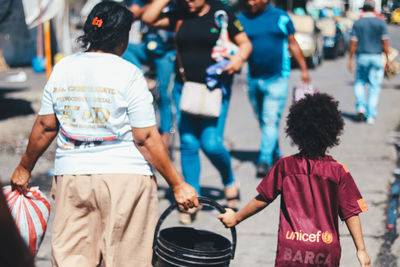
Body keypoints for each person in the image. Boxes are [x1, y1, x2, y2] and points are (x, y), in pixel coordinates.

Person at [10, 2, 198, 266]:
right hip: (125, 179)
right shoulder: (129, 74)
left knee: (72, 259)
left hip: (73, 176)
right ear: (122, 38)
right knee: (126, 258)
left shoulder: (63, 68)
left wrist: (23, 168)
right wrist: (177, 184)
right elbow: (145, 138)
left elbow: (46, 126)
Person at [218, 93, 371, 267]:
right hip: (325, 251)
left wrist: (236, 218)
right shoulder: (338, 172)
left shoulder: (285, 166)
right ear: (333, 131)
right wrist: (361, 249)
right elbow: (351, 213)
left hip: (291, 249)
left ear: (296, 131)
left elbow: (262, 200)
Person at [142, 0, 252, 224]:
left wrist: (239, 58)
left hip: (216, 88)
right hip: (185, 88)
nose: (188, 1)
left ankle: (229, 181)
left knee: (211, 142)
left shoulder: (222, 13)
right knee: (189, 143)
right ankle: (192, 200)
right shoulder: (179, 14)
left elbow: (245, 43)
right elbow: (148, 18)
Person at [238, 0, 311, 178]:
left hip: (278, 77)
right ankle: (275, 152)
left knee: (270, 119)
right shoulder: (241, 20)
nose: (251, 2)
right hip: (254, 77)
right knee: (263, 120)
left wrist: (303, 69)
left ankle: (264, 160)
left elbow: (293, 43)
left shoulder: (281, 17)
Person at [122, 0, 176, 148]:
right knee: (124, 48)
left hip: (166, 52)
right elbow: (132, 13)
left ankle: (165, 135)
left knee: (166, 96)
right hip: (147, 49)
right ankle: (141, 79)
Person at [348, 0, 389, 124]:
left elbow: (353, 43)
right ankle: (370, 115)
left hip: (361, 57)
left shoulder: (357, 23)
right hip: (376, 57)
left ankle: (361, 106)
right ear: (374, 8)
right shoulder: (381, 22)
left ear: (363, 9)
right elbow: (385, 43)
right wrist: (387, 59)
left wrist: (350, 59)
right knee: (374, 86)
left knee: (359, 82)